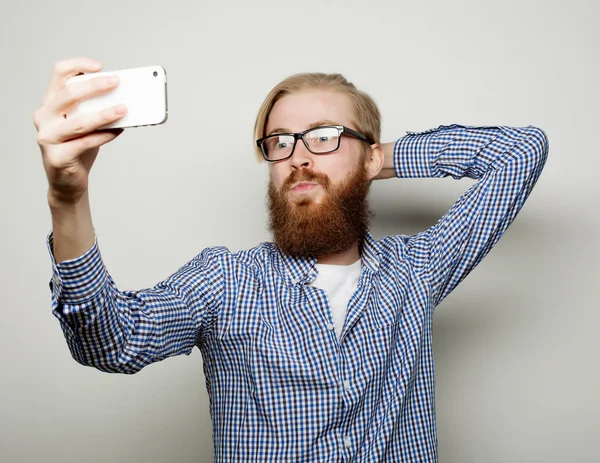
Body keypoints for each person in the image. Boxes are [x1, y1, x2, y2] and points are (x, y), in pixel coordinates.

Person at [34, 57, 549, 462]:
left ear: (370, 154)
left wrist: (377, 159)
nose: (298, 156)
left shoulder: (417, 269)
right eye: (280, 143)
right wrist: (67, 197)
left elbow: (521, 152)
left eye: (323, 137)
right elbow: (112, 342)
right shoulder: (226, 281)